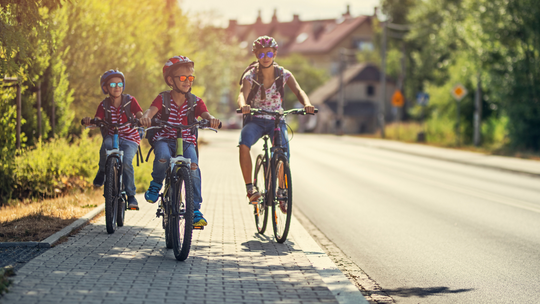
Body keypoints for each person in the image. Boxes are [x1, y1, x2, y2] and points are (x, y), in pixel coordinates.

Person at [140, 55, 220, 227]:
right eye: (183, 78)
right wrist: (146, 118)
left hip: (187, 141)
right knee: (162, 157)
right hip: (164, 139)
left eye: (190, 78)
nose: (187, 81)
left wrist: (211, 119)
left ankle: (195, 210)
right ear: (170, 79)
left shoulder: (195, 101)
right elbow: (151, 111)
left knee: (193, 168)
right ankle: (156, 184)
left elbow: (206, 114)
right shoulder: (163, 98)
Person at [238, 36, 315, 204]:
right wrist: (244, 105)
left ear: (275, 54)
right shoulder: (250, 76)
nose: (265, 58)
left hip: (277, 120)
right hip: (256, 120)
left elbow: (299, 91)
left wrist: (307, 104)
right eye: (261, 54)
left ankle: (281, 191)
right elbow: (242, 94)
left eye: (269, 54)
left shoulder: (284, 74)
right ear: (256, 56)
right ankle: (250, 189)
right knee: (244, 145)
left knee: (283, 153)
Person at [82, 69, 143, 209]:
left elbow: (139, 113)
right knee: (105, 147)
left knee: (127, 162)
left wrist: (142, 120)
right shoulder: (104, 105)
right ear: (105, 88)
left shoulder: (130, 101)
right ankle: (103, 171)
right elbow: (97, 119)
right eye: (113, 85)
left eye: (120, 84)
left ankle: (131, 195)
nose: (117, 87)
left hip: (130, 138)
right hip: (112, 135)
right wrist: (90, 121)